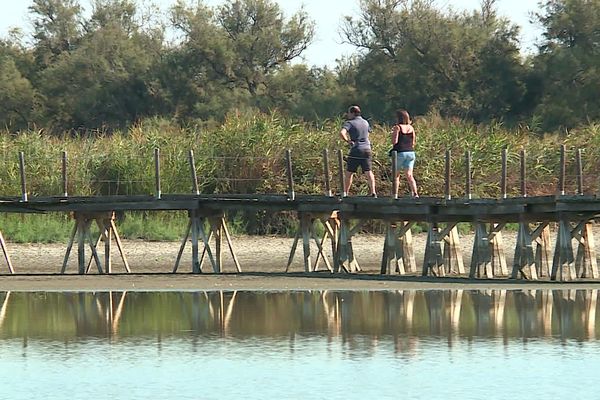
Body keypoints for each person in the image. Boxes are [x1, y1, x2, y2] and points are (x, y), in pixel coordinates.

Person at [339, 105, 376, 197]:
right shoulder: (365, 122)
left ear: (352, 113)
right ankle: (373, 192)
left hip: (356, 149)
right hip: (367, 149)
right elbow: (368, 133)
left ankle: (345, 193)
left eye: (348, 113)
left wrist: (347, 141)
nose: (348, 115)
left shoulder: (350, 123)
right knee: (368, 171)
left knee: (349, 172)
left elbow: (342, 133)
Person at [390, 109, 419, 198]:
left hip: (400, 153)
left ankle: (395, 194)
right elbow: (413, 141)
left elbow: (394, 141)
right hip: (410, 153)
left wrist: (392, 134)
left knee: (396, 175)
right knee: (409, 175)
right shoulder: (411, 128)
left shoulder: (397, 127)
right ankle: (415, 193)